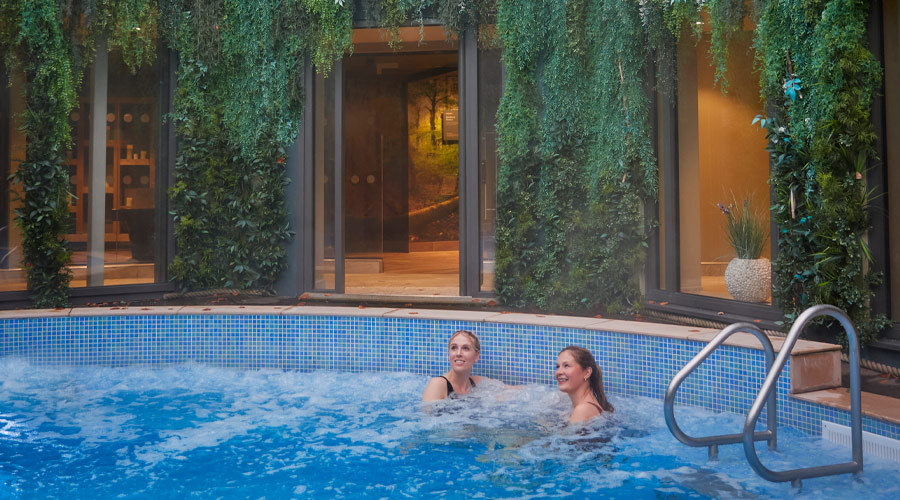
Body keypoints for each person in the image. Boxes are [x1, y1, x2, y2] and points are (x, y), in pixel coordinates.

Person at [422, 330, 490, 401]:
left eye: (465, 348)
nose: (458, 353)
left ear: (476, 356)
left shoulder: (478, 383)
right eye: (454, 348)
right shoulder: (438, 384)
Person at [555, 345, 614, 423]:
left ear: (587, 373)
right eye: (558, 366)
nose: (559, 372)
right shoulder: (587, 405)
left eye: (566, 366)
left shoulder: (582, 410)